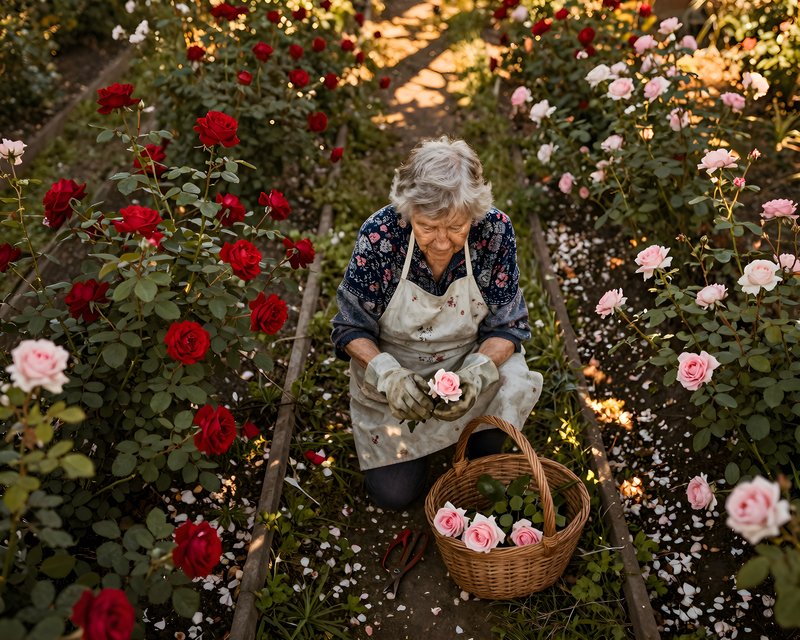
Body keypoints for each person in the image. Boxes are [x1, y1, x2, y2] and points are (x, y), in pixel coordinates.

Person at [331, 137, 543, 509]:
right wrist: (387, 374)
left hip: (468, 357)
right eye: (428, 227)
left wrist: (477, 371)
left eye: (456, 227)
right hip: (399, 368)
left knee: (487, 455)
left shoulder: (494, 232)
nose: (442, 243)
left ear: (473, 215)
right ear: (409, 211)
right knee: (395, 495)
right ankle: (421, 442)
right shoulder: (381, 235)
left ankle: (477, 441)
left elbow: (508, 325)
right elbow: (350, 327)